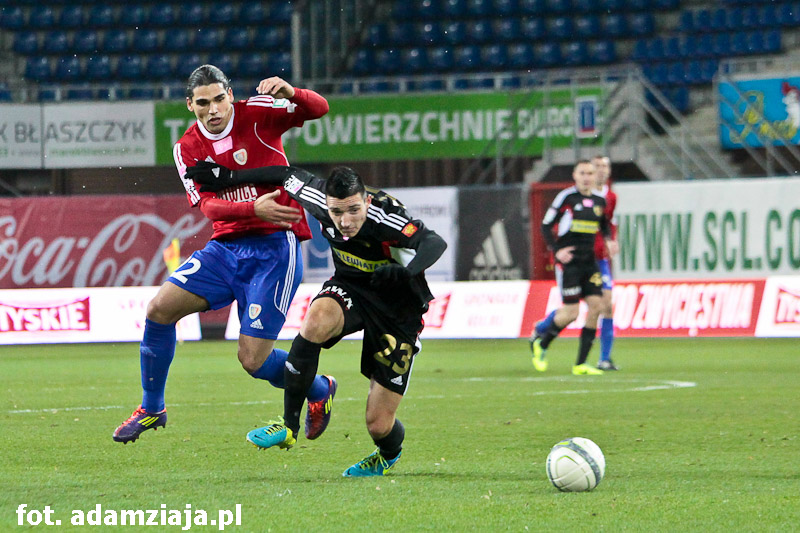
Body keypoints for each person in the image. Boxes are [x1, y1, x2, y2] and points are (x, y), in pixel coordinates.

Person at [113, 65, 337, 444]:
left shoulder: (259, 112)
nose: (213, 109)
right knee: (159, 310)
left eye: (219, 99)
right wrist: (253, 209)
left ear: (230, 95)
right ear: (190, 105)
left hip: (274, 248)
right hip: (226, 248)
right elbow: (209, 207)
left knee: (253, 360)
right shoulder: (186, 148)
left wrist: (292, 91)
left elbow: (319, 109)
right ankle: (152, 408)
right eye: (203, 103)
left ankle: (319, 389)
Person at [188, 163, 447, 477]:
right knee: (315, 320)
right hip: (351, 287)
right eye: (337, 212)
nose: (345, 221)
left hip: (398, 309)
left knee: (378, 424)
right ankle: (289, 426)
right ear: (326, 203)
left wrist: (405, 273)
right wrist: (228, 177)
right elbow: (283, 174)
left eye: (354, 210)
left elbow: (433, 242)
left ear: (366, 202)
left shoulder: (385, 216)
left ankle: (387, 455)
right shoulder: (314, 195)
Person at [529, 160, 618, 375]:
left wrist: (609, 240)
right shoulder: (567, 198)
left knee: (597, 307)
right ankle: (542, 342)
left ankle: (580, 364)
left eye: (590, 173)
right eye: (582, 173)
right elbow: (546, 225)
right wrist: (556, 250)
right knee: (571, 312)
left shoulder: (599, 201)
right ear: (575, 176)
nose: (587, 177)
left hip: (590, 262)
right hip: (570, 264)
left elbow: (603, 224)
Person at [591, 155, 619, 371]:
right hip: (581, 259)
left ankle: (605, 359)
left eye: (605, 166)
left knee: (607, 304)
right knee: (570, 311)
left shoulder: (611, 197)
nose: (602, 170)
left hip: (600, 259)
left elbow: (609, 223)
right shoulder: (580, 195)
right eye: (598, 166)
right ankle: (542, 331)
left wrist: (612, 240)